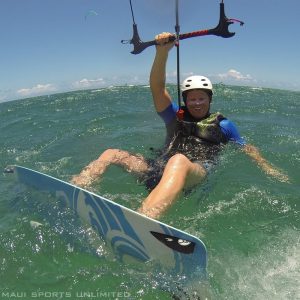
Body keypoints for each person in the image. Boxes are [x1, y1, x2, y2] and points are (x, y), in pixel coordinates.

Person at [71, 32, 288, 219]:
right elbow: (157, 89)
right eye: (191, 98)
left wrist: (267, 167)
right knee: (112, 153)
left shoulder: (225, 124)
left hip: (193, 173)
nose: (197, 102)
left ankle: (143, 220)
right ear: (185, 100)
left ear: (210, 99)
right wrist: (162, 53)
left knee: (178, 161)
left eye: (202, 98)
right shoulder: (175, 115)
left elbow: (246, 147)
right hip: (160, 168)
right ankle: (77, 190)